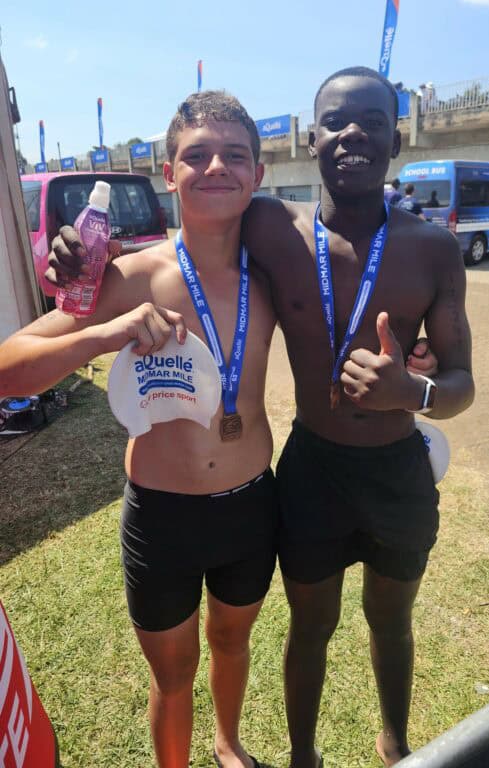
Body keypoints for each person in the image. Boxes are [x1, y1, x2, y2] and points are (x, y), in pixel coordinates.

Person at [45, 67, 469, 767]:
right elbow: (198, 229)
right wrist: (79, 261)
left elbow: (461, 382)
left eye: (372, 120)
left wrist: (412, 392)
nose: (353, 133)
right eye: (336, 121)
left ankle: (396, 743)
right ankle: (302, 758)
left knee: (390, 620)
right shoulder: (273, 227)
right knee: (310, 626)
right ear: (313, 138)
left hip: (397, 469)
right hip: (310, 470)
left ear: (398, 137)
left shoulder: (433, 249)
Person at [0, 91, 280, 768]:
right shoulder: (130, 275)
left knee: (235, 644)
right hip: (163, 518)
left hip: (252, 504)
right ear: (168, 172)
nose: (217, 167)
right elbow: (10, 371)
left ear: (259, 173)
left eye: (234, 155)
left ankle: (228, 743)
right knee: (173, 675)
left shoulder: (278, 271)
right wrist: (105, 332)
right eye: (197, 155)